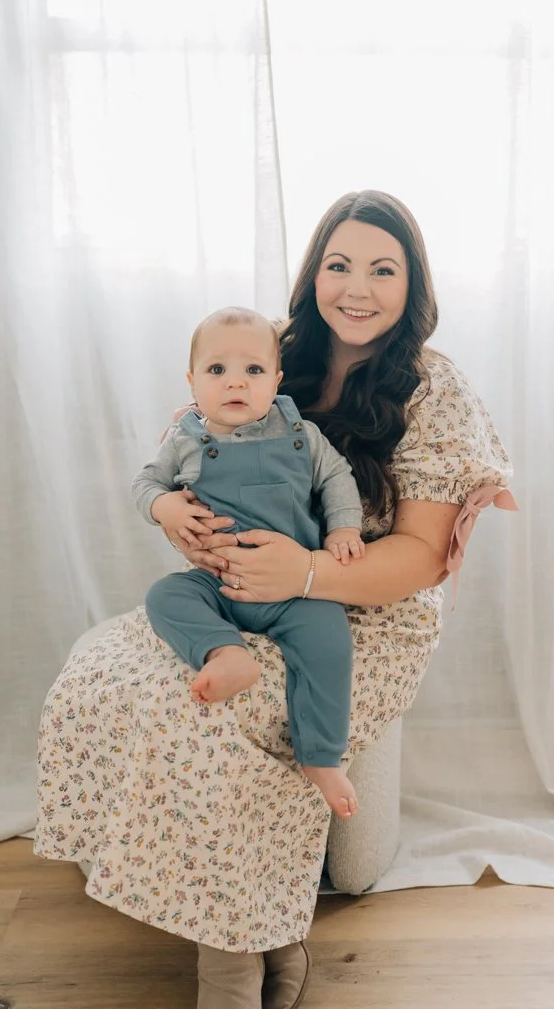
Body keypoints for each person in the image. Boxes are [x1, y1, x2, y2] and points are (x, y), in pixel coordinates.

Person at [34, 190, 514, 1009]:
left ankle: (245, 944)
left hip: (363, 611)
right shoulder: (270, 349)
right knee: (109, 675)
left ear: (413, 285)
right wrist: (176, 517)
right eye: (339, 265)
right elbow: (188, 450)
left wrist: (306, 575)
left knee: (223, 723)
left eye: (382, 269)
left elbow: (421, 556)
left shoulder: (433, 388)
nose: (356, 288)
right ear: (313, 274)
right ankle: (225, 904)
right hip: (237, 590)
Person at [134, 306, 365, 818]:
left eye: (253, 371)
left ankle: (322, 756)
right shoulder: (185, 439)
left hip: (294, 593)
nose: (235, 383)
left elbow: (337, 479)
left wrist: (345, 527)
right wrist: (165, 505)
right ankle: (224, 653)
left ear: (276, 380)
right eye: (217, 371)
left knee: (330, 639)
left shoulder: (301, 433)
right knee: (166, 595)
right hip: (219, 584)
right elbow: (145, 484)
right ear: (192, 382)